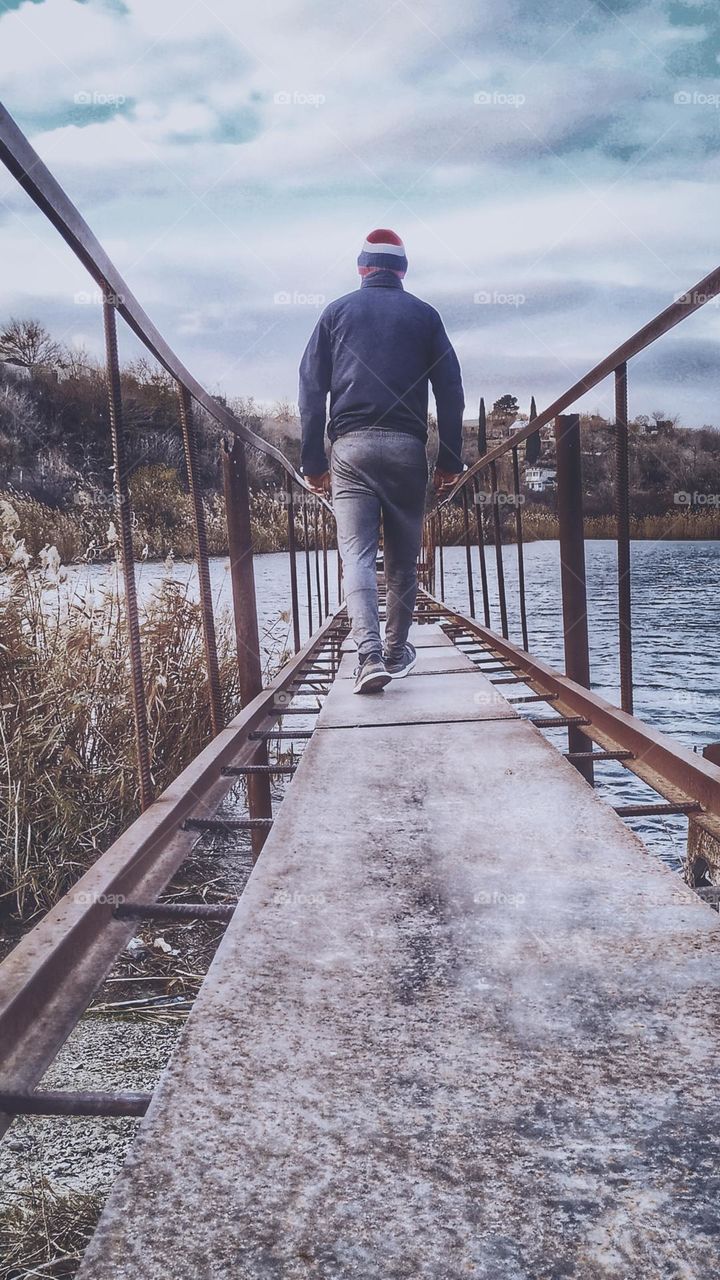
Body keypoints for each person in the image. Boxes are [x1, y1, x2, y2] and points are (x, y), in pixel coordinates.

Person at [299, 228, 465, 693]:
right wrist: (451, 459)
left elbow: (311, 389)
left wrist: (313, 461)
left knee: (356, 553)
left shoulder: (335, 313)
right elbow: (451, 391)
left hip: (350, 449)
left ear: (362, 268)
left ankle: (368, 655)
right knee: (403, 558)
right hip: (407, 450)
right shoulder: (425, 316)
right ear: (403, 271)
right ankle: (396, 650)